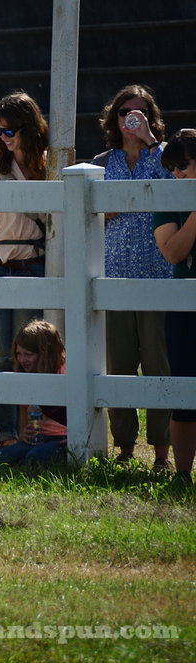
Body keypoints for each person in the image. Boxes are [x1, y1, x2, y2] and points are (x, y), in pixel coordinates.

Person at [90, 85, 172, 468]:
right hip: (115, 278)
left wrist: (150, 141)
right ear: (115, 118)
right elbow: (98, 214)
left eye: (139, 112)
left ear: (150, 117)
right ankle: (124, 446)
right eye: (125, 112)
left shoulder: (167, 155)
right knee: (119, 366)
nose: (131, 118)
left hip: (159, 277)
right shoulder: (104, 161)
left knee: (159, 364)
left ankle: (161, 451)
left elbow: (175, 195)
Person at [0, 91, 50, 448]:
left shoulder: (49, 165)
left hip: (33, 265)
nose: (5, 136)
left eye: (12, 129)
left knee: (30, 354)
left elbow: (53, 222)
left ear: (29, 128)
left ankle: (32, 433)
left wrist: (31, 170)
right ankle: (6, 435)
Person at [153, 128, 196, 483]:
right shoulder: (167, 197)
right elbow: (173, 252)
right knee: (183, 391)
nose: (177, 174)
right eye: (172, 167)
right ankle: (182, 473)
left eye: (184, 165)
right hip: (182, 304)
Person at [0, 320, 68, 467]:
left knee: (35, 458)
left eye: (28, 354)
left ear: (45, 353)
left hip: (62, 439)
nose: (22, 360)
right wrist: (24, 435)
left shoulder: (65, 372)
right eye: (19, 354)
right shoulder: (25, 376)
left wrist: (76, 437)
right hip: (39, 439)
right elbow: (23, 426)